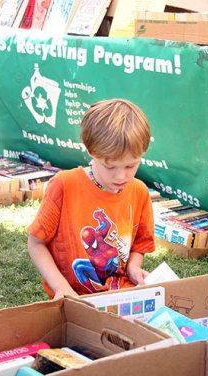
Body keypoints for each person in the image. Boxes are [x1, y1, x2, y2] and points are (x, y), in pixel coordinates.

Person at [27, 98, 155, 299]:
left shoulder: (139, 192)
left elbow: (140, 245)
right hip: (73, 297)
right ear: (91, 151)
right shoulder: (64, 184)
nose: (121, 176)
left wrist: (133, 266)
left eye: (131, 166)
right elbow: (36, 243)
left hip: (119, 292)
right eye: (110, 166)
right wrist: (61, 287)